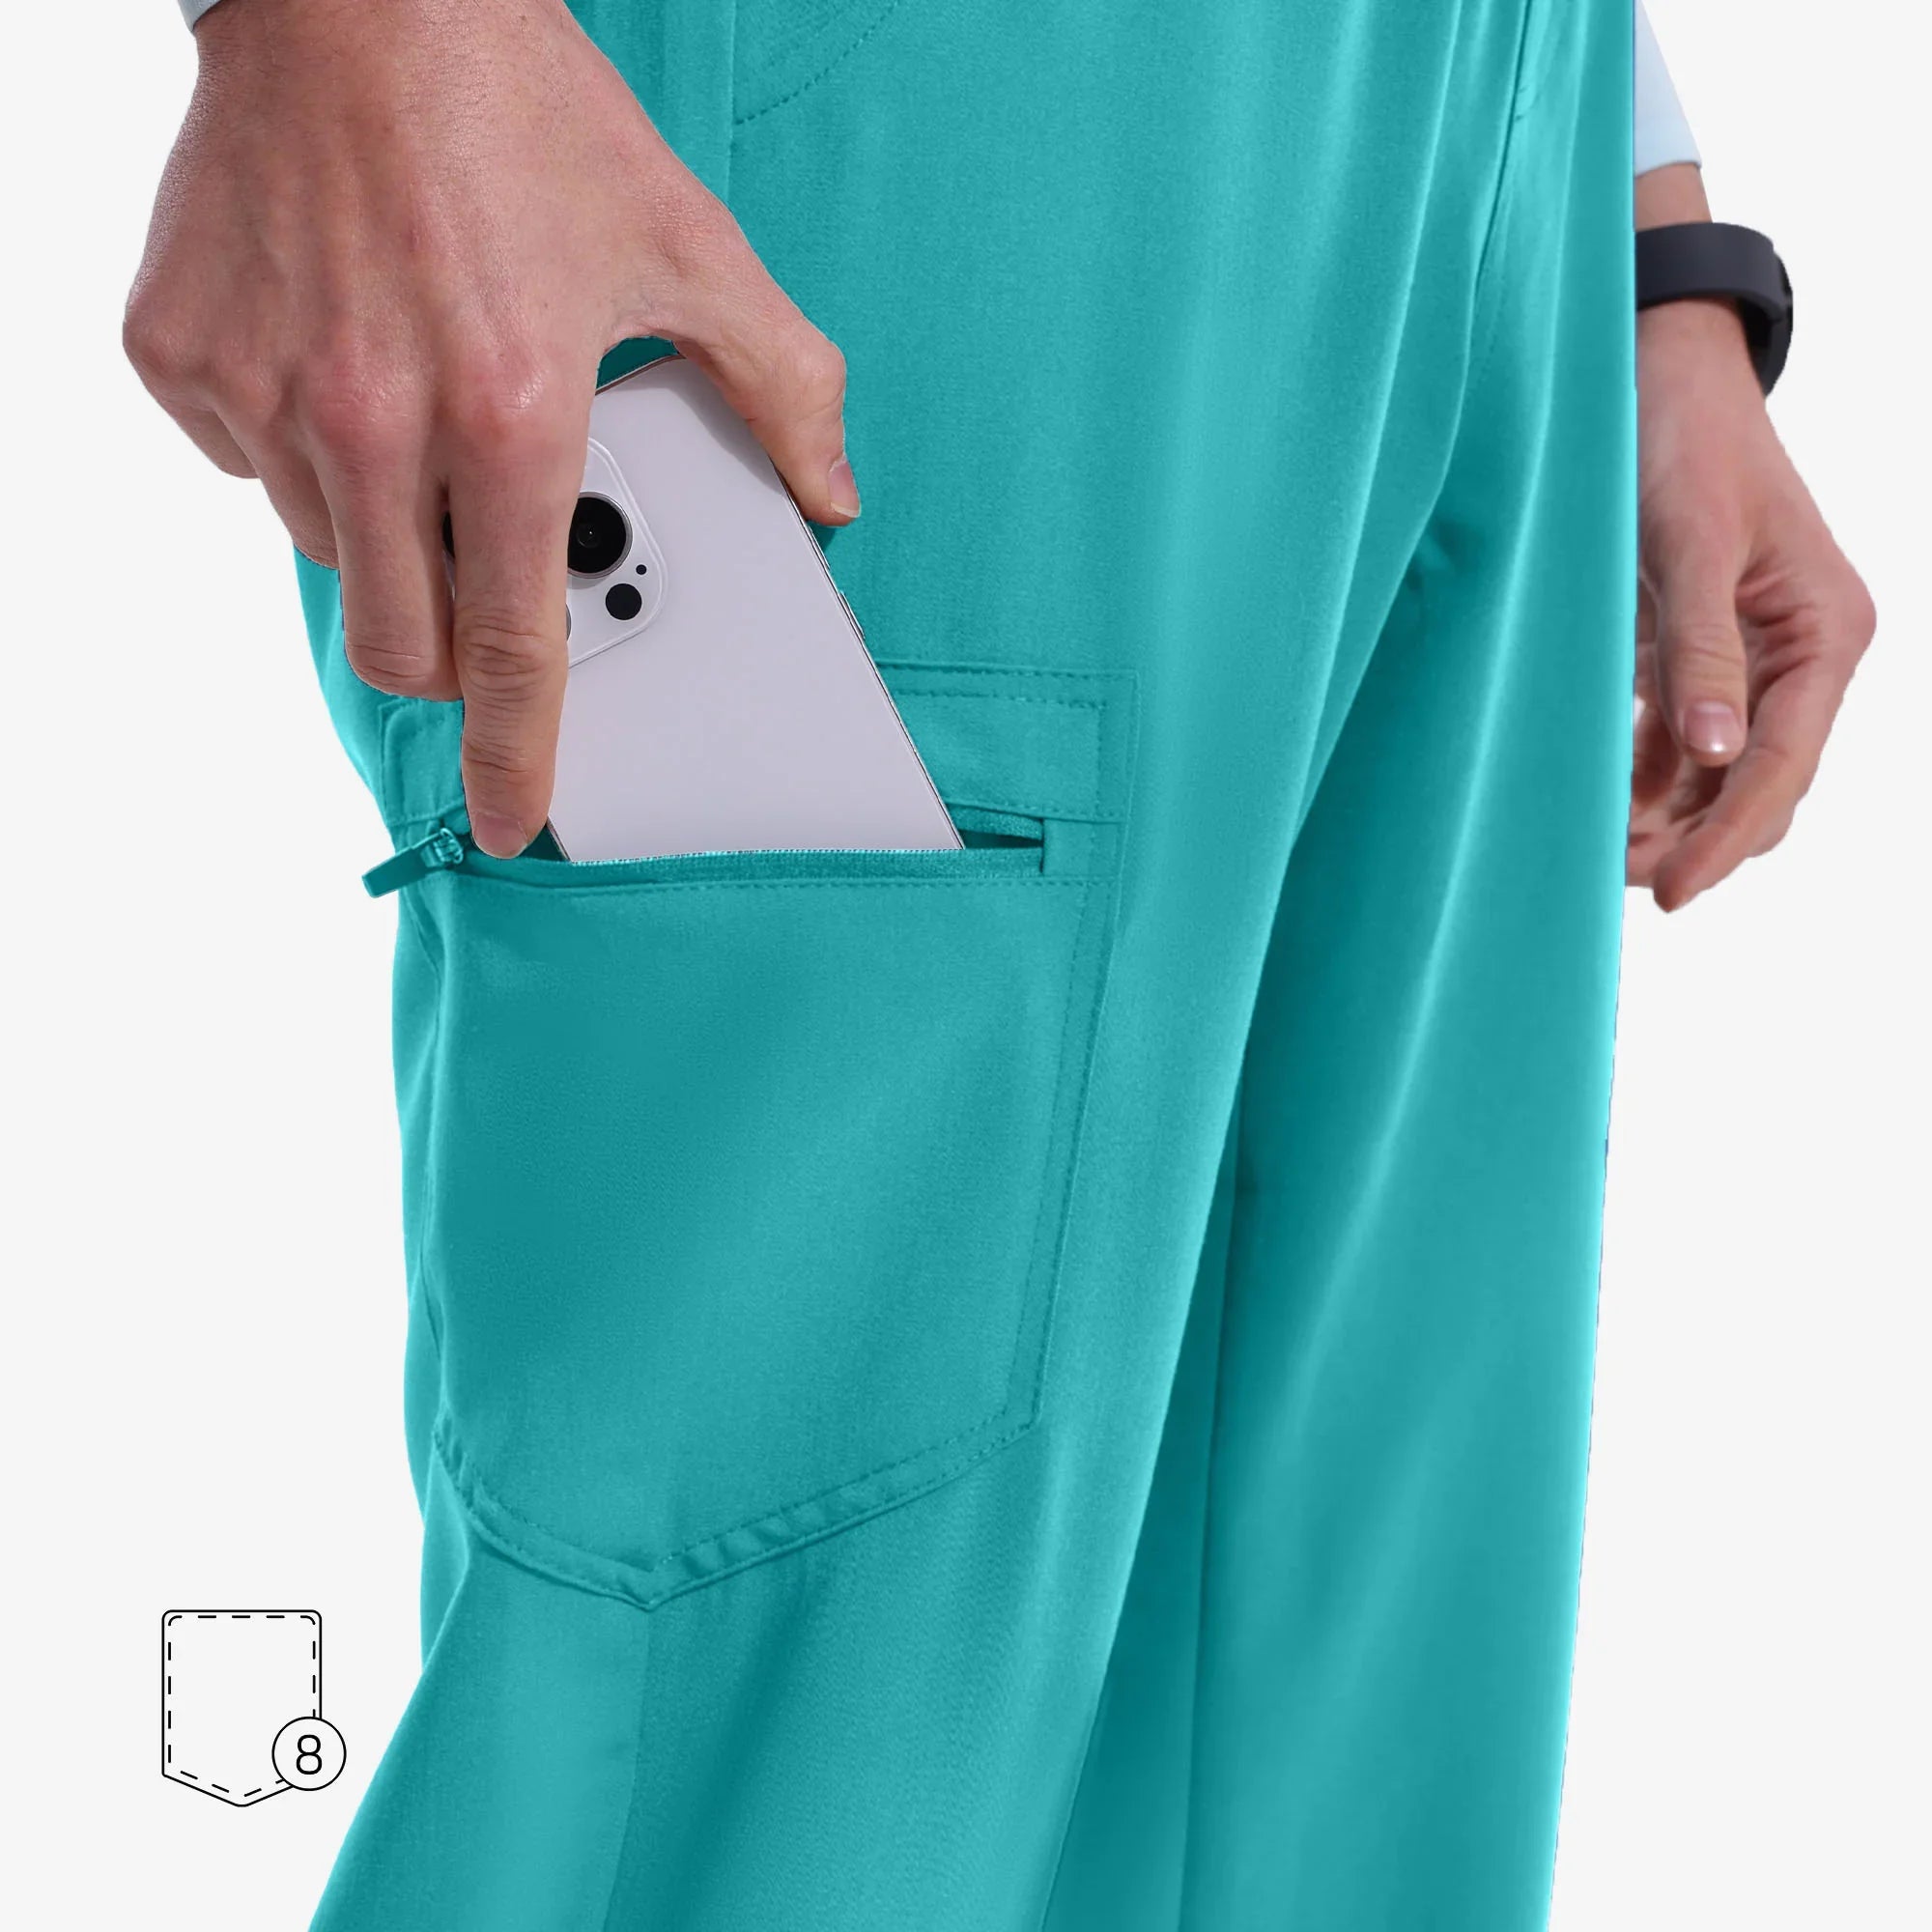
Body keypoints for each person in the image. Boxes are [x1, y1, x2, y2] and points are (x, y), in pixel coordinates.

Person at [126, 1, 1876, 1926]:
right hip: (915, 107)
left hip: (1486, 131)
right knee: (775, 1746)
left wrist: (1641, 232)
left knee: (1341, 1786)